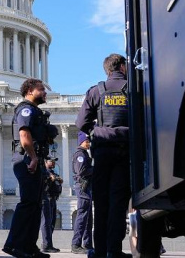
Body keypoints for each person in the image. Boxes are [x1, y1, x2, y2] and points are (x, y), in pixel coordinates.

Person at [75, 54, 131, 258]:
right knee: (118, 202)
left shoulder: (96, 91)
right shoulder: (132, 89)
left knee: (101, 202)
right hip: (125, 149)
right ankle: (114, 250)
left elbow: (81, 123)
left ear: (107, 70)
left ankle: (99, 251)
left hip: (103, 150)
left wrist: (97, 130)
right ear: (123, 67)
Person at [3, 78, 52, 258]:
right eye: (42, 89)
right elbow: (24, 135)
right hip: (26, 160)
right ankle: (14, 245)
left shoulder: (36, 112)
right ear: (30, 90)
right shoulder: (25, 109)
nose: (45, 92)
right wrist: (32, 157)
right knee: (28, 203)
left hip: (34, 160)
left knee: (35, 205)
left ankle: (30, 247)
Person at [70, 131, 94, 255]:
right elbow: (81, 171)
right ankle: (76, 244)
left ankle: (88, 244)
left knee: (88, 217)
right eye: (86, 141)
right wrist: (94, 169)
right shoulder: (80, 154)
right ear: (81, 142)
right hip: (83, 186)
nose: (88, 143)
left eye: (89, 141)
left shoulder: (84, 154)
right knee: (82, 215)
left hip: (87, 187)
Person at [40, 158, 63, 253]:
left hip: (53, 198)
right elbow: (43, 184)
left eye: (54, 161)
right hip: (46, 198)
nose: (53, 162)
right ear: (45, 162)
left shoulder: (54, 173)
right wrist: (49, 178)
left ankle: (48, 243)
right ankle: (46, 245)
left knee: (52, 222)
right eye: (50, 160)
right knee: (46, 222)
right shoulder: (44, 172)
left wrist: (58, 180)